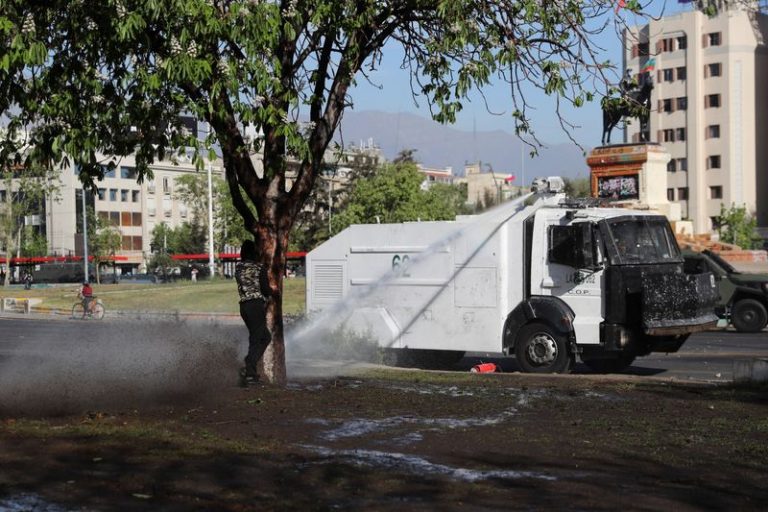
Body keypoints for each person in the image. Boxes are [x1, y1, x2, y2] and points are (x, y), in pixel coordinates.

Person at [235, 239, 271, 387]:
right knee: (260, 339)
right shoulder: (258, 267)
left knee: (261, 337)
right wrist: (272, 291)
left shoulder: (238, 267)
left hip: (244, 306)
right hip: (256, 305)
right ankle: (249, 370)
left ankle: (250, 369)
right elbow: (265, 289)